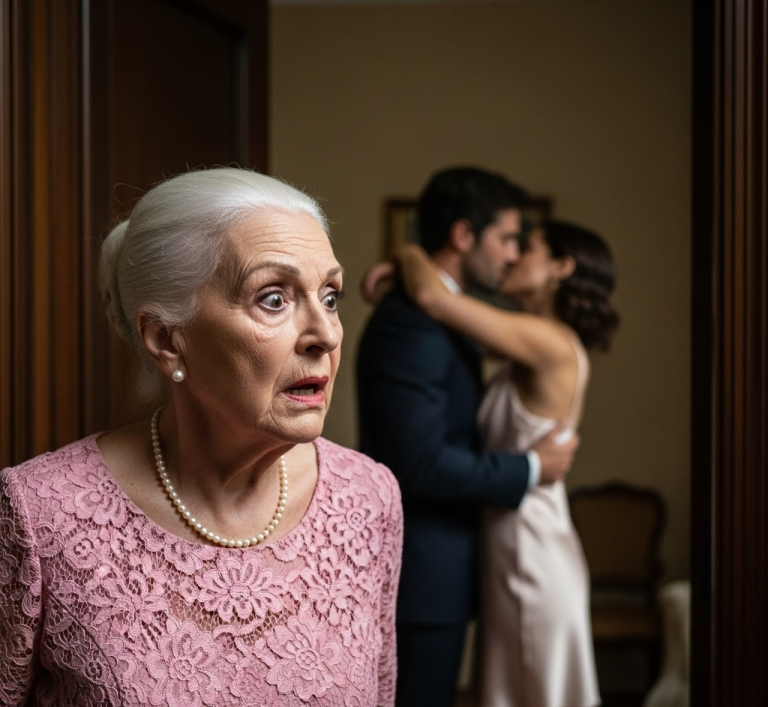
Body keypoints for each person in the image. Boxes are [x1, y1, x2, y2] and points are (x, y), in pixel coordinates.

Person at [0, 168, 403, 706]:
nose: (326, 334)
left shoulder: (368, 498)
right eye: (274, 299)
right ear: (167, 340)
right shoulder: (39, 513)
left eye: (329, 296)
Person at [356, 167, 578, 707]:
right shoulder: (413, 321)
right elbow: (419, 461)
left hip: (460, 564)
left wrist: (407, 261)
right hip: (426, 575)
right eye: (505, 238)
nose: (510, 254)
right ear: (462, 236)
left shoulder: (447, 312)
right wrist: (529, 468)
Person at [392, 220, 620, 707]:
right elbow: (448, 316)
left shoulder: (551, 343)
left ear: (560, 268)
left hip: (529, 547)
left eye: (528, 248)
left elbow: (435, 300)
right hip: (512, 539)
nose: (512, 257)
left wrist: (407, 254)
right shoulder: (528, 339)